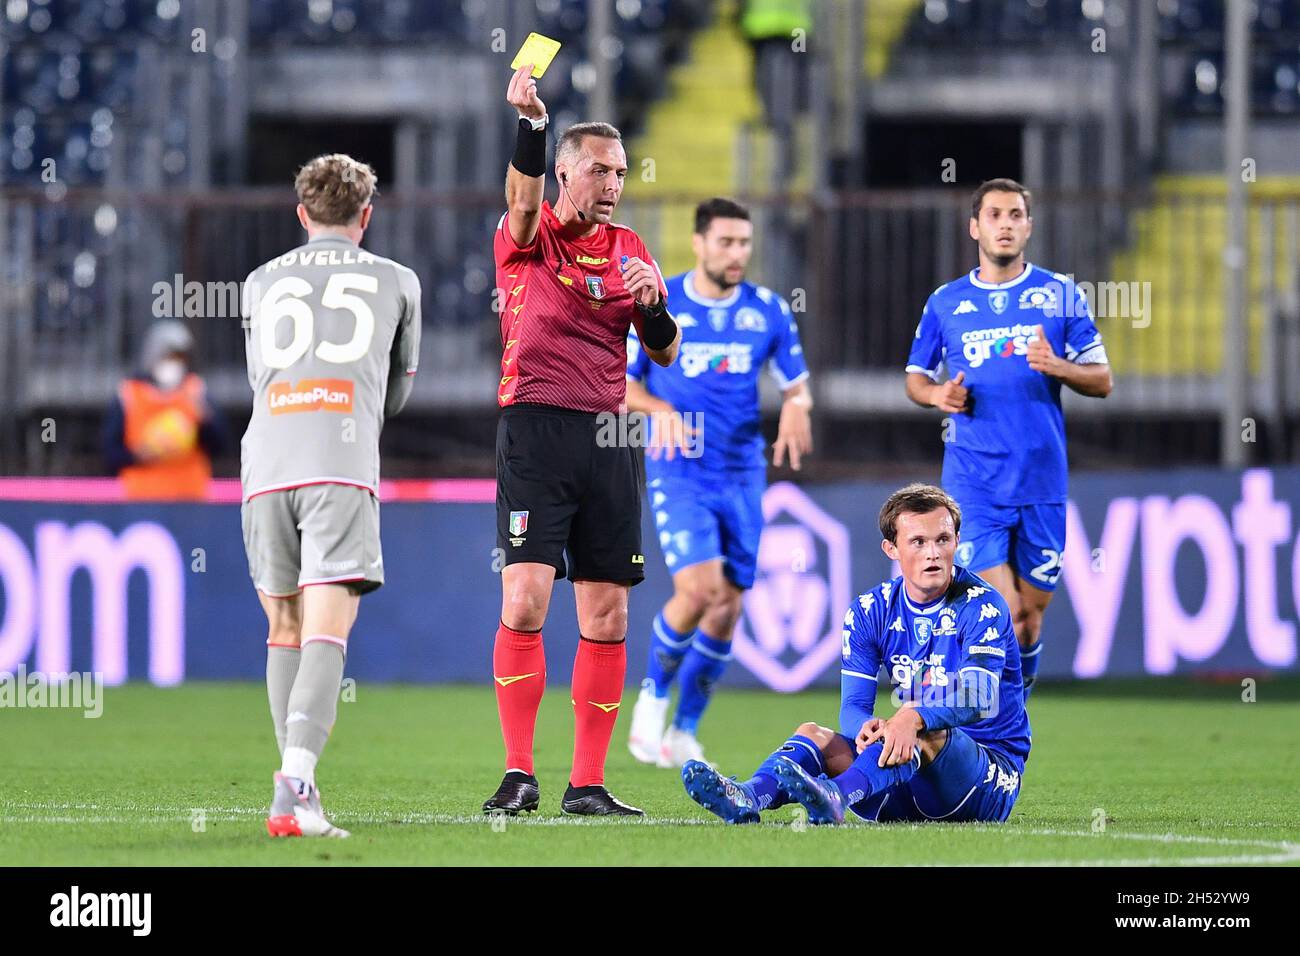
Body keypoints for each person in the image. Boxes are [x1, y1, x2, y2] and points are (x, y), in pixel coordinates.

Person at [483, 64, 681, 817]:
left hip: (609, 436)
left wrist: (653, 307)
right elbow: (520, 200)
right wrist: (532, 123)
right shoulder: (527, 240)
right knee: (527, 597)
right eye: (600, 169)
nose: (613, 182)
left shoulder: (631, 246)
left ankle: (588, 784)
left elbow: (663, 352)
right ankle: (517, 772)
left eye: (621, 172)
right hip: (535, 426)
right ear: (565, 170)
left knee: (607, 615)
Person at [240, 153, 421, 837]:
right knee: (325, 632)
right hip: (337, 460)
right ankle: (296, 789)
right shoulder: (397, 280)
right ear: (366, 217)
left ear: (301, 214)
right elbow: (396, 393)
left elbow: (262, 377)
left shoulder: (260, 281)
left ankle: (294, 792)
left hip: (265, 464)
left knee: (282, 630)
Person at [681, 484, 1030, 825]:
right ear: (891, 549)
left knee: (917, 727)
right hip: (904, 778)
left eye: (943, 539)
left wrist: (913, 718)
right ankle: (746, 797)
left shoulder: (983, 606)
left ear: (957, 542)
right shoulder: (869, 610)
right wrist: (864, 728)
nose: (933, 552)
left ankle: (836, 796)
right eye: (918, 542)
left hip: (986, 780)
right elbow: (852, 707)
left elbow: (980, 696)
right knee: (813, 734)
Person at [904, 178, 1112, 700]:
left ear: (1029, 226)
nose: (1005, 224)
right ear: (975, 226)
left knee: (1028, 622)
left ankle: (1013, 713)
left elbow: (1103, 379)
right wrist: (936, 398)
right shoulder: (945, 302)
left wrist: (1057, 366)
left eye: (1016, 215)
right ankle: (992, 727)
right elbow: (915, 378)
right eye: (994, 215)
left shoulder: (1059, 294)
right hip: (975, 483)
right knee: (1003, 611)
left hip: (1041, 478)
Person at [624, 197, 812, 768]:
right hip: (680, 471)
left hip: (743, 473)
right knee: (699, 592)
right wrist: (659, 409)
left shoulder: (769, 311)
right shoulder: (664, 302)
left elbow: (796, 385)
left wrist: (799, 405)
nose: (737, 253)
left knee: (728, 607)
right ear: (700, 242)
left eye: (744, 243)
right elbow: (621, 383)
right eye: (726, 242)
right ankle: (652, 699)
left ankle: (683, 731)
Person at [104, 319, 226, 500]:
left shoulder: (196, 391)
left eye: (180, 357)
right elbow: (110, 453)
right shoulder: (129, 394)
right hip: (142, 502)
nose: (175, 363)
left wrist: (205, 420)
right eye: (169, 356)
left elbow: (220, 446)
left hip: (190, 499)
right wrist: (139, 455)